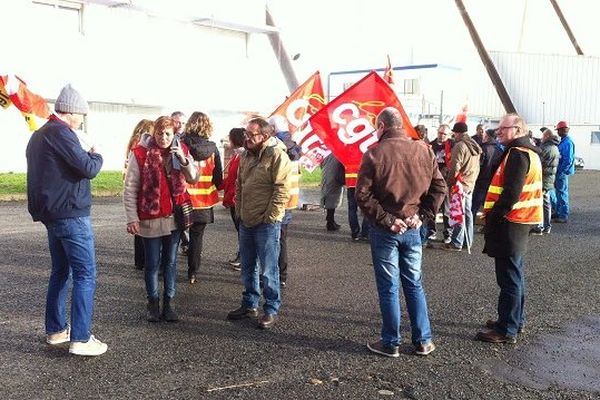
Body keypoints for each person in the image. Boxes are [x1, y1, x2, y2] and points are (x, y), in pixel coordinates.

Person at [356, 107, 446, 358]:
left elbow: (362, 194)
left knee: (389, 287)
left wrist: (387, 220)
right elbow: (440, 188)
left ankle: (391, 342)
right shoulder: (424, 150)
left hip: (387, 230)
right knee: (414, 284)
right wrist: (423, 216)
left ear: (382, 127)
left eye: (376, 128)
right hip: (412, 227)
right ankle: (423, 341)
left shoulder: (374, 153)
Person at [26, 84, 107, 356]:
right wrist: (97, 154)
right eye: (81, 114)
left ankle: (57, 329)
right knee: (86, 274)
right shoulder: (62, 133)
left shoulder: (39, 135)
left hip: (52, 214)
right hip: (71, 213)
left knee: (61, 272)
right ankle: (81, 338)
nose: (82, 119)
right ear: (71, 112)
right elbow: (88, 168)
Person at [123, 116, 198, 322]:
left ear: (174, 134)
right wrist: (132, 218)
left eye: (168, 134)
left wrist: (183, 160)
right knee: (152, 263)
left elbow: (193, 177)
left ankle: (169, 302)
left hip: (174, 217)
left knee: (171, 262)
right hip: (150, 217)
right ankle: (153, 302)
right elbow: (130, 188)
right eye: (159, 133)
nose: (163, 138)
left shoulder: (181, 150)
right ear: (153, 133)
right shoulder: (139, 153)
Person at [476, 113, 543, 344]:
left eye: (503, 128)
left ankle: (507, 329)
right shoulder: (529, 152)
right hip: (520, 222)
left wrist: (493, 217)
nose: (499, 132)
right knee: (515, 275)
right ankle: (514, 320)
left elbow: (511, 193)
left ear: (517, 130)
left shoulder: (517, 154)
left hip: (511, 223)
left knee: (509, 279)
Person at [227, 117, 292, 330]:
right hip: (246, 219)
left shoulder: (277, 155)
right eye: (245, 134)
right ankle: (249, 304)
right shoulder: (246, 155)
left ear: (264, 136)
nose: (246, 138)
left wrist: (271, 216)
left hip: (266, 223)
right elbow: (239, 183)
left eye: (250, 134)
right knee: (248, 267)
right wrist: (238, 209)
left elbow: (282, 189)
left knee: (268, 270)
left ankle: (271, 309)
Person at [181, 112, 223, 284]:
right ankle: (193, 272)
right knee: (197, 238)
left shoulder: (182, 145)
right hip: (204, 202)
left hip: (183, 200)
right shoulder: (213, 149)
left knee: (176, 236)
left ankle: (166, 269)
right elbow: (218, 178)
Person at [268, 115, 302, 288]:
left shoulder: (275, 147)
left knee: (269, 239)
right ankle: (282, 275)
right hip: (289, 201)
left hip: (275, 200)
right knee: (282, 239)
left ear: (273, 129)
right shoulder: (295, 147)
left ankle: (272, 275)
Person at [445, 122, 482, 252]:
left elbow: (455, 167)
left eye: (454, 132)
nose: (453, 135)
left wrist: (450, 184)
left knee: (458, 212)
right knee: (467, 213)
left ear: (458, 133)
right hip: (470, 183)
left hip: (460, 183)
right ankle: (468, 241)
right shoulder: (474, 145)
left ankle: (456, 242)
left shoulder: (460, 146)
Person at [124, 119, 155, 270]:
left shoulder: (132, 143)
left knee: (138, 228)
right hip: (141, 187)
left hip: (133, 184)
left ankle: (139, 260)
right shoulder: (141, 146)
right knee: (142, 226)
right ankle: (144, 259)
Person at [221, 128, 246, 270]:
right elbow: (230, 178)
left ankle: (244, 259)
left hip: (237, 200)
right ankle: (241, 255)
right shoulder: (236, 156)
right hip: (232, 198)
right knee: (240, 231)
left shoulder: (242, 156)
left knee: (243, 231)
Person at [531, 129, 560, 235]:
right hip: (549, 179)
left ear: (547, 136)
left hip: (542, 178)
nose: (541, 138)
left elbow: (538, 163)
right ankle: (547, 226)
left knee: (539, 203)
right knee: (546, 203)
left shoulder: (545, 148)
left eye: (543, 136)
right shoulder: (555, 147)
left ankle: (540, 227)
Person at [471, 128, 504, 223]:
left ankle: (470, 225)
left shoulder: (483, 149)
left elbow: (479, 165)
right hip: (494, 181)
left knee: (474, 205)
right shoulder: (500, 149)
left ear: (487, 137)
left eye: (484, 135)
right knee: (489, 205)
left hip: (482, 179)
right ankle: (488, 225)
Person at [429, 124, 452, 242]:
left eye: (444, 134)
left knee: (446, 210)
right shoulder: (431, 145)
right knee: (433, 207)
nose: (441, 135)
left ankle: (448, 233)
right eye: (440, 133)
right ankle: (431, 231)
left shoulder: (451, 146)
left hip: (446, 182)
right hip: (432, 182)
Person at [171, 111, 191, 255]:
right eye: (177, 122)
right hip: (167, 190)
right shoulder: (165, 139)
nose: (180, 126)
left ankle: (185, 243)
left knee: (181, 224)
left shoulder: (187, 142)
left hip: (182, 189)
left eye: (183, 123)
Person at [550, 120, 575, 223]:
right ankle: (559, 212)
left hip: (562, 172)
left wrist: (561, 172)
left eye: (558, 130)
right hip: (559, 171)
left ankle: (563, 215)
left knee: (562, 193)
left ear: (563, 130)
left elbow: (568, 160)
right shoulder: (564, 141)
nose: (557, 132)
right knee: (559, 192)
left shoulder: (568, 142)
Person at [320, 153, 345, 231]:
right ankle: (330, 222)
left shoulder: (327, 153)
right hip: (334, 178)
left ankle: (330, 220)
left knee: (329, 199)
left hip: (327, 177)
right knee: (332, 201)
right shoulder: (338, 154)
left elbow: (321, 164)